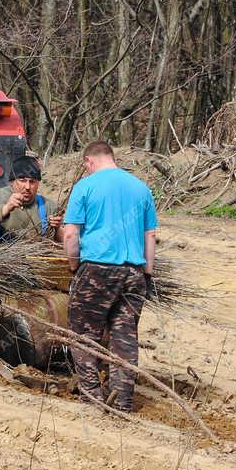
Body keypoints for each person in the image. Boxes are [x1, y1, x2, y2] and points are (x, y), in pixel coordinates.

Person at [62, 141, 158, 412]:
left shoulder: (86, 186)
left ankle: (92, 399)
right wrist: (147, 273)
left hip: (97, 270)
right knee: (124, 337)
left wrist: (73, 265)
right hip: (134, 273)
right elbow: (150, 236)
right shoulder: (141, 188)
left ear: (88, 162)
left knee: (84, 335)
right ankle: (123, 402)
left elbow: (70, 234)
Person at [0, 155, 63, 244]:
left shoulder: (47, 206)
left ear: (38, 184)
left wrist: (57, 228)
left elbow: (65, 241)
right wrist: (5, 209)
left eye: (32, 182)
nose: (27, 187)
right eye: (22, 180)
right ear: (12, 181)